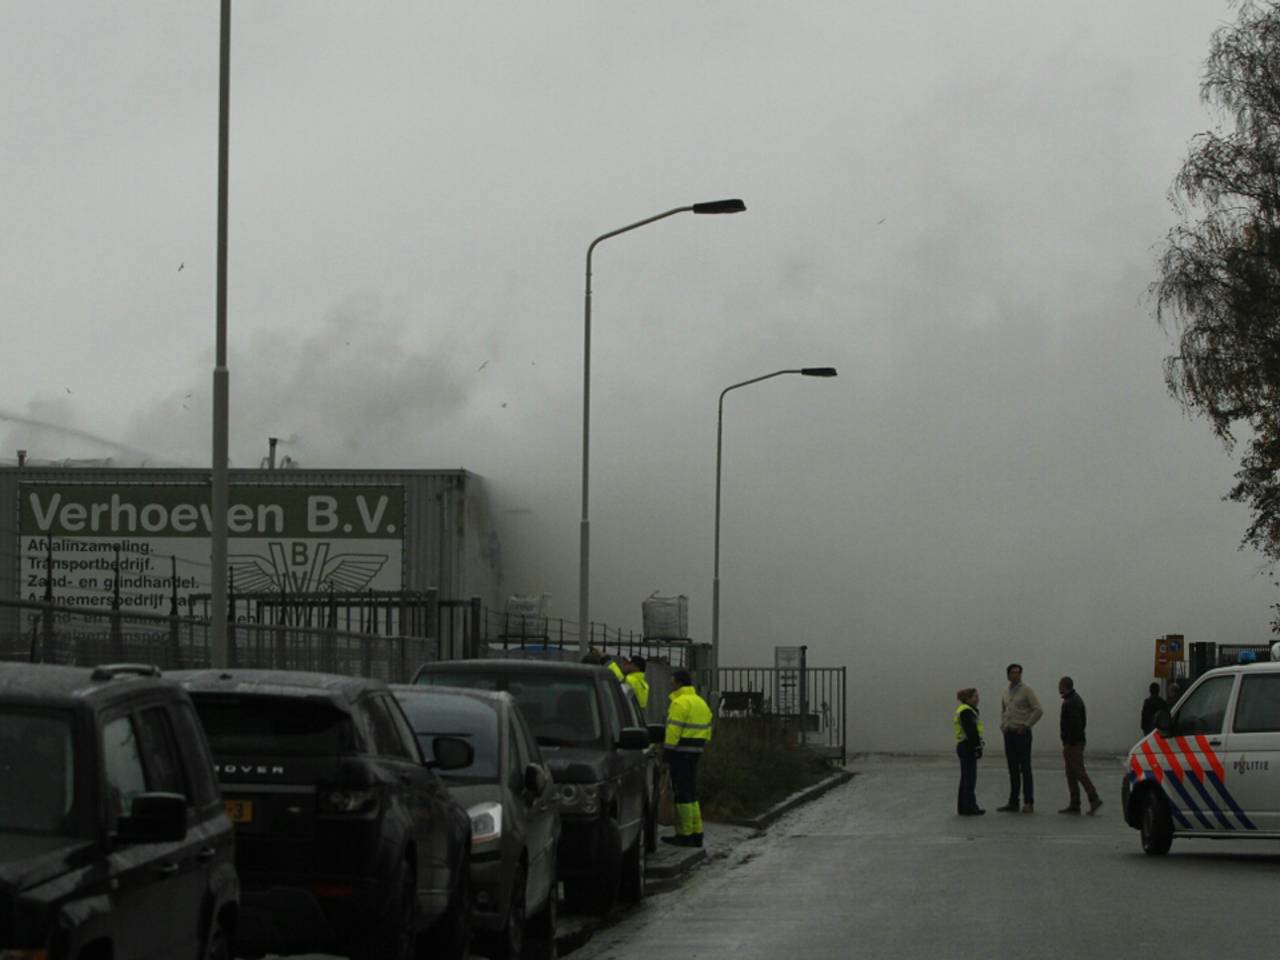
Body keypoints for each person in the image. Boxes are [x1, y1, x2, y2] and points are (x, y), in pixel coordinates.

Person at [662, 668, 713, 848]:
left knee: (681, 793)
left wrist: (666, 752)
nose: (671, 684)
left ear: (679, 683)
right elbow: (708, 730)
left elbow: (673, 730)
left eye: (673, 681)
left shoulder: (679, 703)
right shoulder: (700, 702)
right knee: (691, 792)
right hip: (695, 752)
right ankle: (696, 833)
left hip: (680, 753)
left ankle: (684, 834)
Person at [997, 663, 1042, 813]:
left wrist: (1027, 725)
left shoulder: (1027, 690)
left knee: (1025, 768)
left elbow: (1038, 710)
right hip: (1009, 734)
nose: (1016, 675)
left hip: (1021, 734)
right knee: (1012, 769)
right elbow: (1004, 710)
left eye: (1018, 672)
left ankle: (1028, 801)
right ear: (1008, 675)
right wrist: (1003, 726)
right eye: (1013, 672)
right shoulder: (1005, 692)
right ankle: (1013, 801)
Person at [1058, 676, 1102, 815]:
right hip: (1076, 741)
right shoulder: (1075, 699)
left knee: (1078, 771)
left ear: (1064, 686)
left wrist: (1069, 741)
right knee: (1071, 773)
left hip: (1073, 743)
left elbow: (1075, 724)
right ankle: (1074, 802)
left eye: (1060, 685)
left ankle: (1093, 797)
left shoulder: (1071, 702)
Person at [954, 688, 985, 816]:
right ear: (967, 699)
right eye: (975, 696)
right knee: (969, 778)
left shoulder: (964, 710)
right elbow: (971, 731)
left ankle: (963, 806)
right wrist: (977, 747)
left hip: (963, 745)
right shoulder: (967, 711)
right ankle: (970, 807)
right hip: (967, 746)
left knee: (965, 778)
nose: (978, 699)